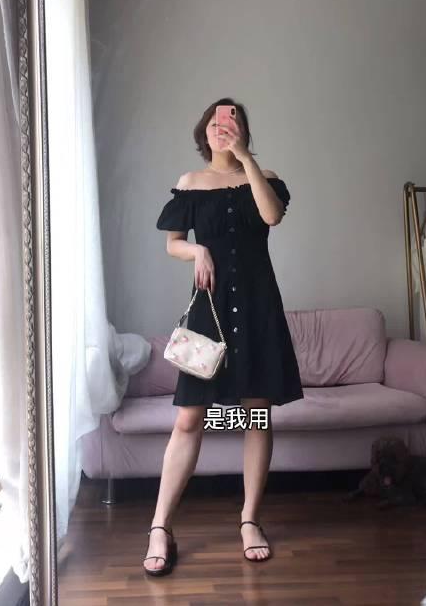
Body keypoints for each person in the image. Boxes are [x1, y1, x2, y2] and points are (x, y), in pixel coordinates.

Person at [143, 98, 303, 576]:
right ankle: (159, 527)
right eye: (214, 122)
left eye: (231, 122)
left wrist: (246, 159)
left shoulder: (264, 177)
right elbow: (173, 243)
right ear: (204, 132)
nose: (222, 128)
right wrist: (198, 252)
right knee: (190, 419)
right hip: (209, 312)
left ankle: (250, 519)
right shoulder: (190, 183)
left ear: (243, 131)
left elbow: (271, 216)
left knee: (256, 414)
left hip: (257, 308)